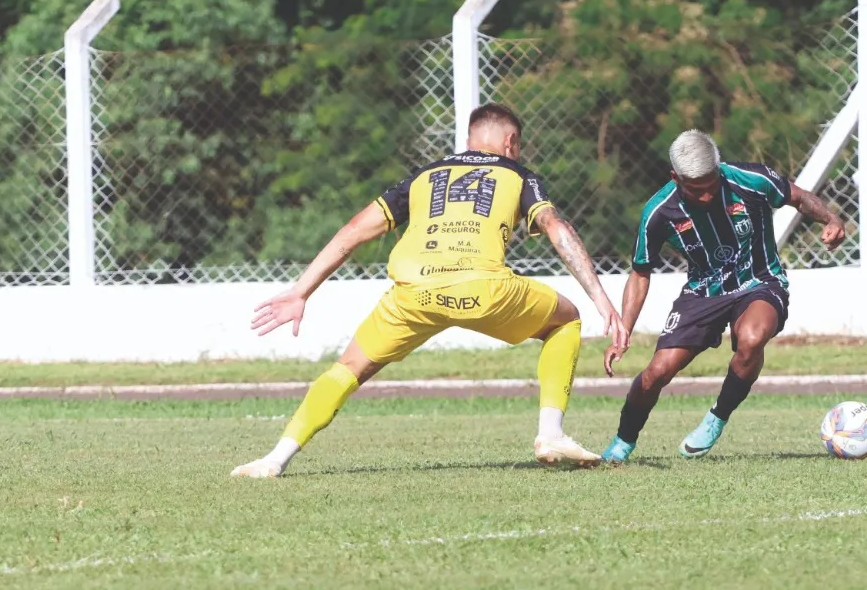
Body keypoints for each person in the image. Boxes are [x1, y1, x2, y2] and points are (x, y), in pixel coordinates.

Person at [232, 102, 627, 476]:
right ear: (510, 143)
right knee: (565, 320)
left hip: (413, 294)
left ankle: (275, 459)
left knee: (347, 369)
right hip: (484, 291)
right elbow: (558, 229)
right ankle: (551, 434)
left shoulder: (423, 176)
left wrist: (301, 291)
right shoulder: (519, 175)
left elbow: (354, 231)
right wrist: (601, 299)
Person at [600, 130, 845, 462]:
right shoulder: (659, 212)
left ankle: (717, 418)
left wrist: (830, 219)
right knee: (658, 372)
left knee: (752, 338)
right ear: (675, 177)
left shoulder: (749, 179)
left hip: (759, 281)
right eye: (695, 189)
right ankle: (622, 442)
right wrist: (624, 330)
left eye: (711, 185)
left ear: (719, 168)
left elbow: (798, 197)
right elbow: (641, 271)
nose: (705, 196)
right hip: (702, 292)